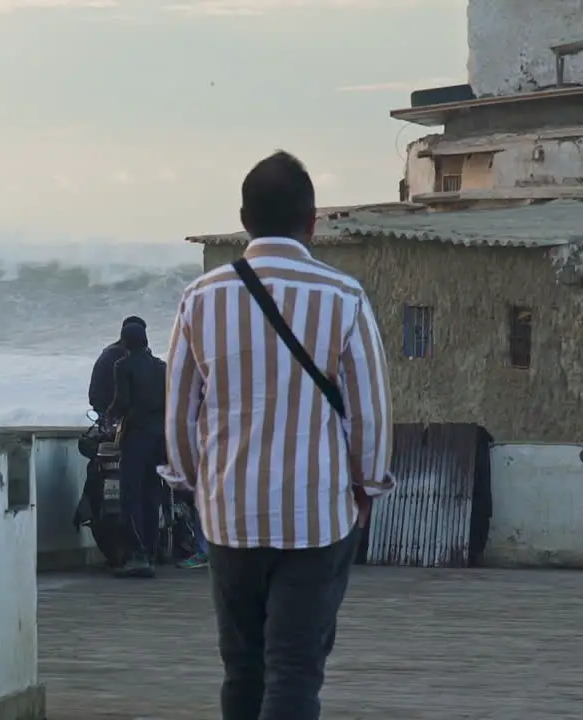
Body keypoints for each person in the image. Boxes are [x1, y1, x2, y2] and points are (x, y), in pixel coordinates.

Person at [158, 151, 395, 720]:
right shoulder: (344, 297)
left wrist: (196, 485)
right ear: (312, 222)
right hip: (317, 519)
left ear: (244, 217)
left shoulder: (202, 297)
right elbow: (371, 412)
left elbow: (178, 414)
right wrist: (368, 486)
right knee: (294, 670)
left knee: (243, 667)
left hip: (230, 517)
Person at [106, 320, 165, 578]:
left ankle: (136, 556)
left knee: (131, 496)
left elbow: (122, 402)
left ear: (126, 341)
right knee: (153, 495)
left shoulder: (123, 365)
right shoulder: (161, 367)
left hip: (137, 435)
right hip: (160, 437)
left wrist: (109, 418)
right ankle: (151, 552)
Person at [89, 315, 146, 418]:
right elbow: (123, 399)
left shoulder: (109, 352)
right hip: (109, 411)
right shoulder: (122, 359)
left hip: (100, 407)